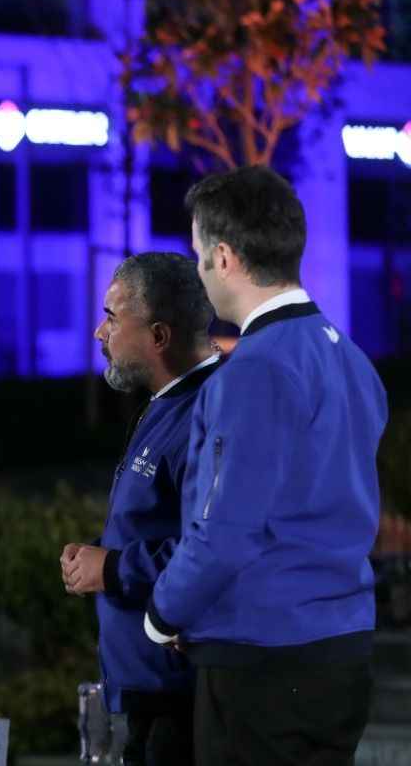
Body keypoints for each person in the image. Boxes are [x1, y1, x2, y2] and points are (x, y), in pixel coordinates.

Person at [145, 166, 388, 766]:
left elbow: (223, 531)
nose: (199, 269)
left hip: (262, 659)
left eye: (200, 253)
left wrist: (161, 614)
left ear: (224, 257)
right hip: (342, 650)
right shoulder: (350, 358)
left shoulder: (254, 370)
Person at [61, 252, 219, 766]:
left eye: (111, 317)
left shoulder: (208, 411)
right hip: (150, 696)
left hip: (181, 699)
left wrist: (110, 566)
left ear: (157, 337)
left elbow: (212, 546)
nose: (98, 333)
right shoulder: (168, 403)